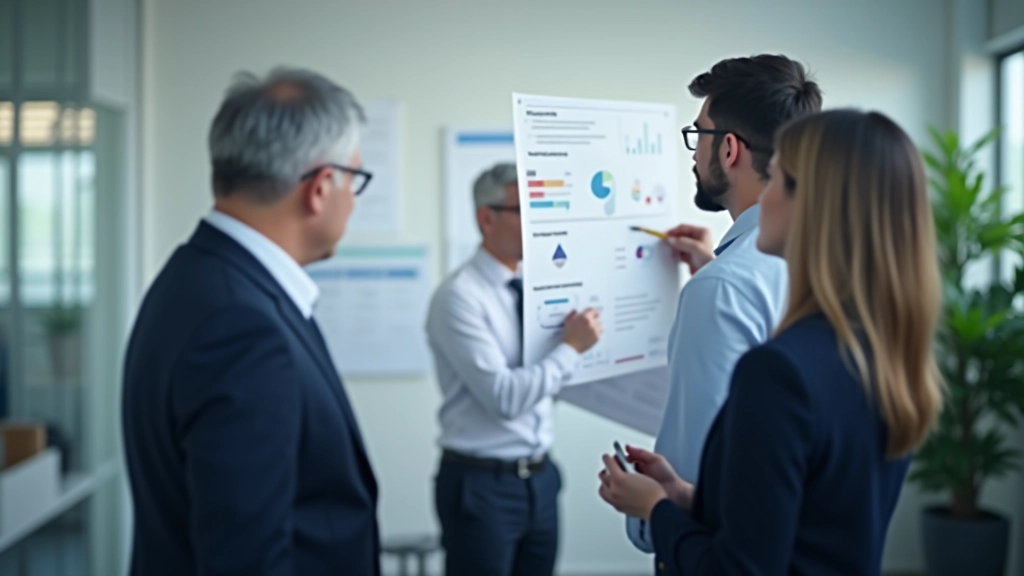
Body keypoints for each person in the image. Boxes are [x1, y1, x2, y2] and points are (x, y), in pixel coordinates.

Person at [599, 109, 944, 575]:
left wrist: (655, 511)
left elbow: (738, 569)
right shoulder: (883, 351)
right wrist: (683, 497)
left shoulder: (779, 371)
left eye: (777, 178)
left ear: (812, 205)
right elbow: (801, 523)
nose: (763, 198)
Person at [122, 68, 380, 576]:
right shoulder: (241, 326)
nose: (353, 198)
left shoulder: (195, 279)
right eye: (355, 178)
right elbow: (246, 558)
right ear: (321, 188)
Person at [625, 54, 823, 552]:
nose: (693, 156)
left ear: (729, 149)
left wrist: (645, 519)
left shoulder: (721, 291)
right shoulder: (830, 265)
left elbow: (695, 478)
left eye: (698, 137)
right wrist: (715, 269)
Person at [426, 162, 603, 576]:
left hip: (540, 478)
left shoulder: (537, 286)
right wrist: (572, 349)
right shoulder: (458, 297)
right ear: (487, 218)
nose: (539, 224)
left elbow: (552, 380)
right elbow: (506, 398)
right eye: (525, 210)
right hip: (481, 485)